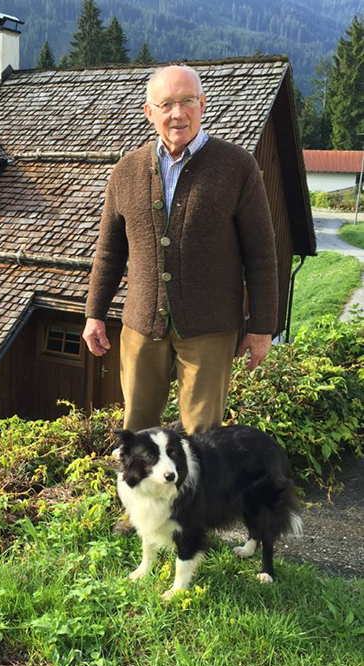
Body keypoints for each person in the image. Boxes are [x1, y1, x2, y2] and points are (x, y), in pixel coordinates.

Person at [83, 64, 278, 438]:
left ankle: (197, 499)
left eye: (187, 101)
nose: (177, 113)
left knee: (202, 437)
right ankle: (141, 499)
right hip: (141, 324)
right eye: (167, 104)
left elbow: (261, 253)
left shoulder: (238, 166)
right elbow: (108, 251)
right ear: (149, 111)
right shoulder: (126, 170)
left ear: (203, 104)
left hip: (211, 327)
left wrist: (263, 326)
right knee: (138, 433)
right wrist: (95, 314)